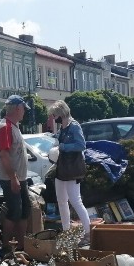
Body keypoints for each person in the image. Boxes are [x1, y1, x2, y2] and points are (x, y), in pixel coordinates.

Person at [47, 100, 90, 242]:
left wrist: (63, 147)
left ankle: (88, 232)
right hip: (62, 168)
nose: (54, 117)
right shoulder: (62, 128)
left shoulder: (74, 126)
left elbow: (81, 145)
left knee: (75, 201)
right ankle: (66, 231)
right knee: (62, 201)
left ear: (61, 113)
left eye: (55, 114)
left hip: (72, 169)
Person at [0, 94, 31, 252]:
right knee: (14, 212)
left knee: (24, 211)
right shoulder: (6, 127)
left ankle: (21, 246)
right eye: (23, 109)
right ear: (18, 108)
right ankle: (6, 246)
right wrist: (13, 178)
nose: (24, 112)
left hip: (20, 178)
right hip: (11, 178)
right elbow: (4, 154)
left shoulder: (14, 126)